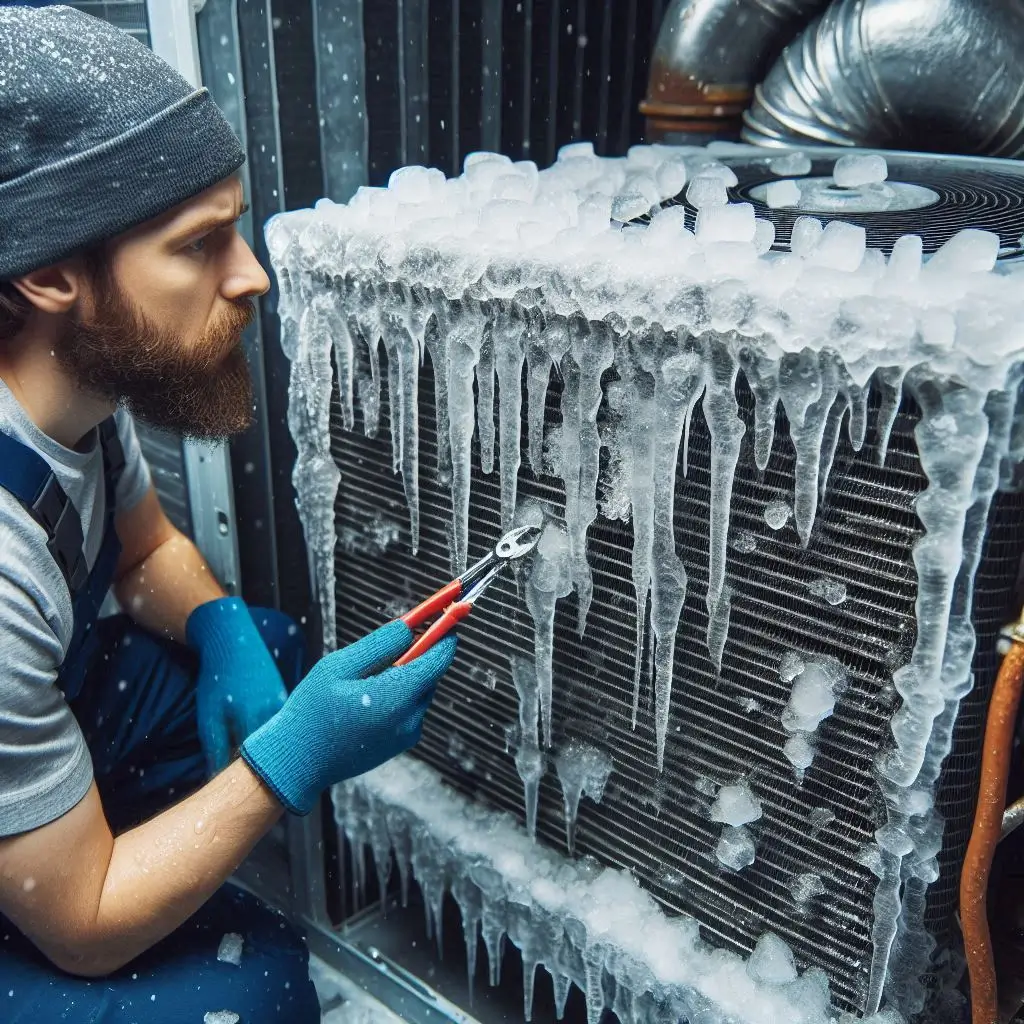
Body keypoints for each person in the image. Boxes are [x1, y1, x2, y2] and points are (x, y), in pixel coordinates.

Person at [0, 6, 457, 1021]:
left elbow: (145, 548)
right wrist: (287, 762)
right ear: (49, 273)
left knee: (272, 647)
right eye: (199, 244)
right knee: (252, 994)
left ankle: (77, 829)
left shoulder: (67, 395)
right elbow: (81, 922)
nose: (250, 274)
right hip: (64, 904)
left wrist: (221, 628)